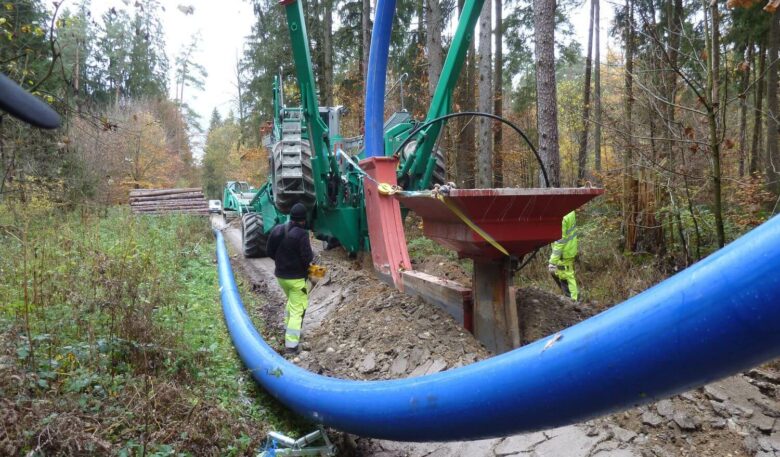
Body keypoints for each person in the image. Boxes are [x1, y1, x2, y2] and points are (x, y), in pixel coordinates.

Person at [266, 202, 314, 353]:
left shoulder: (277, 229)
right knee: (298, 309)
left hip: (281, 277)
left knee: (291, 304)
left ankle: (287, 330)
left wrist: (282, 262)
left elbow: (269, 251)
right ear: (303, 219)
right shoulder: (302, 234)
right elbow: (307, 258)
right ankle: (292, 346)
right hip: (296, 280)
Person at [548, 210, 579, 301]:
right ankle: (572, 299)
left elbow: (560, 241)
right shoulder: (570, 211)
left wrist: (553, 261)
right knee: (565, 274)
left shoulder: (562, 218)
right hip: (569, 249)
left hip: (564, 252)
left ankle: (573, 301)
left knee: (566, 275)